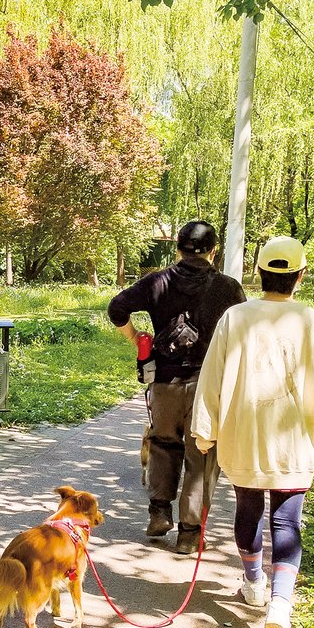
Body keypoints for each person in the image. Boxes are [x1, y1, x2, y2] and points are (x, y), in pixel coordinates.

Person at [191, 236, 314, 628]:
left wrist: (205, 430)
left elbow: (212, 377)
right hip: (294, 439)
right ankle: (279, 607)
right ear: (301, 274)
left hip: (243, 435)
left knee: (248, 508)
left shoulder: (235, 318)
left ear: (260, 273)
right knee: (287, 521)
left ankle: (254, 583)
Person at [107, 221, 247, 553]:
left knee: (162, 443)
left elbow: (117, 308)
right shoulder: (228, 287)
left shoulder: (157, 282)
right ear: (214, 251)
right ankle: (188, 533)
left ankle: (159, 512)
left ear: (177, 249)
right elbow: (243, 331)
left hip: (164, 382)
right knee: (201, 453)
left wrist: (136, 338)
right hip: (207, 385)